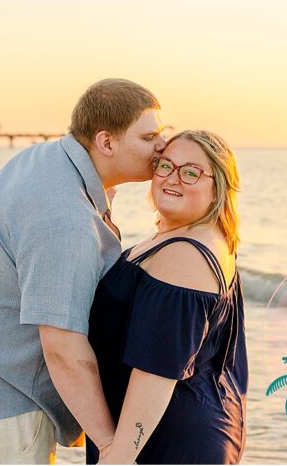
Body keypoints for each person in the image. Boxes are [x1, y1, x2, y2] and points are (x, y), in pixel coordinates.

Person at [0, 78, 167, 463]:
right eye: (149, 137)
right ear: (106, 142)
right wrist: (111, 447)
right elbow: (62, 345)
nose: (162, 145)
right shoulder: (65, 217)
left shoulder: (44, 159)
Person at [86, 130, 246, 464]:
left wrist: (119, 457)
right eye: (165, 165)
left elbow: (156, 374)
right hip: (181, 429)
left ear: (218, 187)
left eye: (190, 172)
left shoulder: (185, 256)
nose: (172, 178)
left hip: (165, 443)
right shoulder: (189, 237)